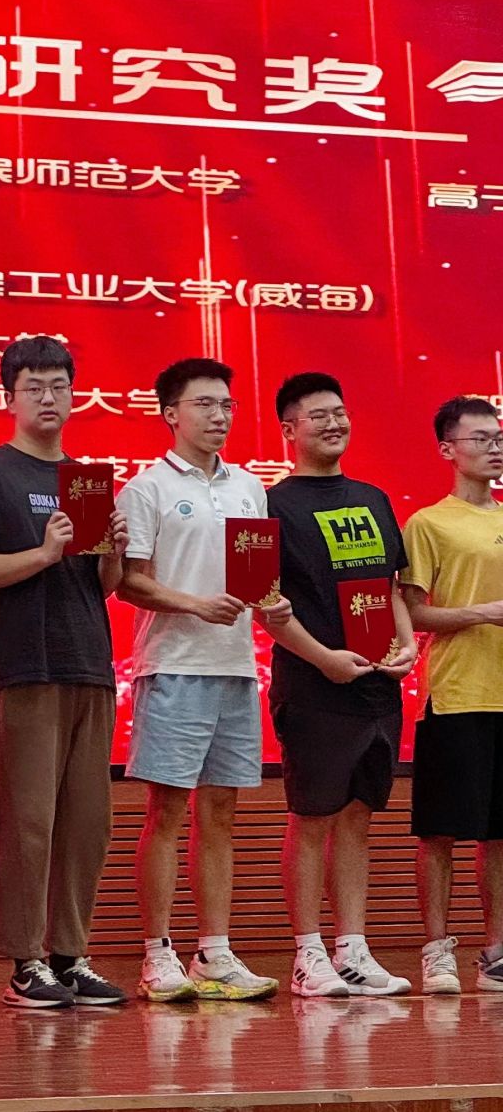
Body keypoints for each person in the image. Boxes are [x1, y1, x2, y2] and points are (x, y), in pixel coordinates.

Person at [0, 337, 128, 1010]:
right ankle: (25, 960)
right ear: (10, 398)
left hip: (89, 663)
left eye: (59, 385)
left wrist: (111, 553)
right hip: (21, 665)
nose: (49, 398)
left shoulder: (85, 479)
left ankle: (70, 953)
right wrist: (44, 552)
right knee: (25, 820)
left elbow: (101, 585)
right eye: (34, 387)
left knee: (87, 822)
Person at [117, 357, 285, 1003]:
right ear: (171, 413)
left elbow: (258, 580)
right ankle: (157, 953)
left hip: (237, 667)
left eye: (227, 405)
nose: (220, 416)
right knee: (166, 812)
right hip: (174, 667)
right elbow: (130, 581)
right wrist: (194, 604)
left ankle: (214, 950)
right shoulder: (147, 488)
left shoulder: (250, 488)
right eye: (205, 404)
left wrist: (272, 604)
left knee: (221, 815)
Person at [263, 372, 415, 999]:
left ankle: (353, 947)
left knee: (357, 816)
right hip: (313, 684)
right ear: (289, 429)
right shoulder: (269, 504)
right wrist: (323, 658)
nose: (335, 423)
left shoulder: (373, 497)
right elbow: (263, 602)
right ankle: (308, 955)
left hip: (376, 687)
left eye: (340, 412)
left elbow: (392, 586)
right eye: (319, 415)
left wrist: (407, 643)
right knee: (312, 815)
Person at [401, 395, 503, 996]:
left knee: (499, 835)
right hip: (457, 693)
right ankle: (437, 950)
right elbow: (413, 613)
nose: (494, 447)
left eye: (498, 437)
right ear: (448, 449)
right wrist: (483, 613)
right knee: (440, 830)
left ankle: (496, 950)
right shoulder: (429, 523)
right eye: (480, 438)